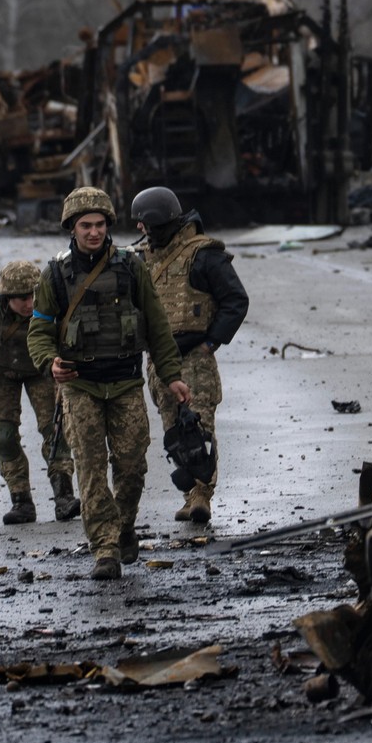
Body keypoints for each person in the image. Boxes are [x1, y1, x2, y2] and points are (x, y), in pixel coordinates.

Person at [27, 186, 189, 580]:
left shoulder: (131, 268)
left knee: (132, 467)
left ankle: (123, 524)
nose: (94, 232)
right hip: (80, 386)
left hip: (125, 383)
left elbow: (157, 326)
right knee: (90, 470)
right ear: (72, 227)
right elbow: (39, 332)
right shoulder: (55, 274)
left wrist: (172, 376)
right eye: (86, 225)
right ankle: (105, 548)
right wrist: (50, 362)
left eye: (100, 224)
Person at [130, 186, 249, 524]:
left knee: (198, 429)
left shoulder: (203, 255)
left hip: (195, 356)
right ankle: (189, 496)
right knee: (173, 432)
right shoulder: (141, 258)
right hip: (159, 359)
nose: (140, 229)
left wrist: (211, 343)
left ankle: (201, 496)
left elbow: (235, 300)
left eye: (145, 224)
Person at [0, 260, 79, 524]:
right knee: (4, 436)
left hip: (42, 368)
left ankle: (64, 496)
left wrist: (63, 371)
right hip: (0, 371)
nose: (30, 304)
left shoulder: (53, 297)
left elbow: (70, 333)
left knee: (55, 429)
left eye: (33, 296)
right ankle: (21, 500)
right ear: (7, 296)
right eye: (22, 299)